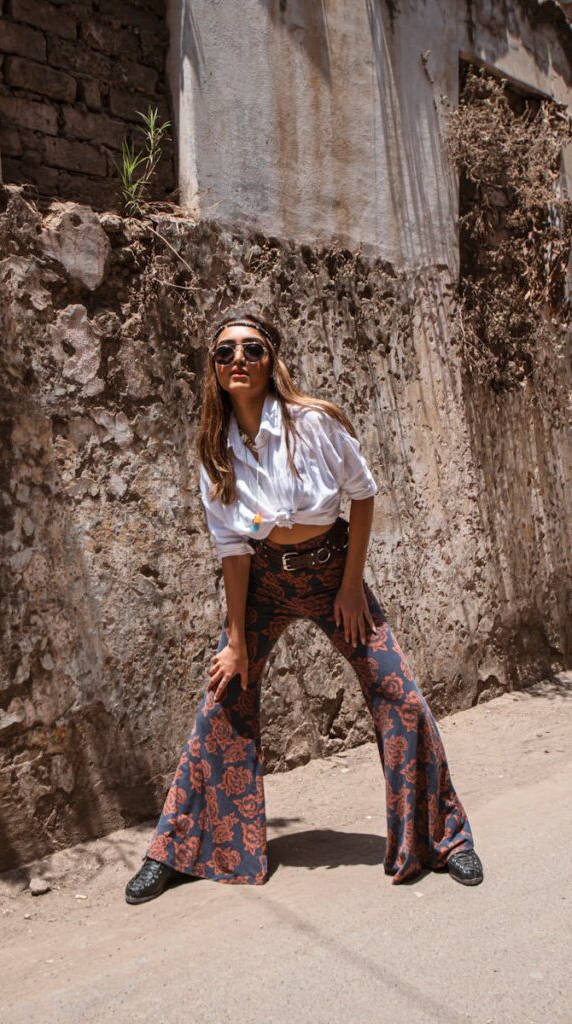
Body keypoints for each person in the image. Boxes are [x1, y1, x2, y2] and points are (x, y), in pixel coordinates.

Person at [125, 312, 483, 904]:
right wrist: (236, 640)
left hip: (331, 571)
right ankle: (181, 851)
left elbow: (363, 495)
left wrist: (350, 585)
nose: (237, 358)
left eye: (252, 348)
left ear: (271, 361)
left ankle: (443, 839)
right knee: (223, 698)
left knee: (400, 694)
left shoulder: (314, 424)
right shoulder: (214, 450)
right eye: (224, 352)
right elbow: (232, 550)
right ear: (213, 370)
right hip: (262, 581)